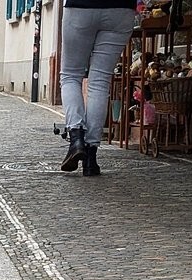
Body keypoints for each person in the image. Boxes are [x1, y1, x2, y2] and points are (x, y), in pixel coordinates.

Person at [59, 0, 136, 175]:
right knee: (100, 81)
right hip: (121, 10)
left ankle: (76, 139)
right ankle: (90, 157)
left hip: (80, 7)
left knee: (71, 76)